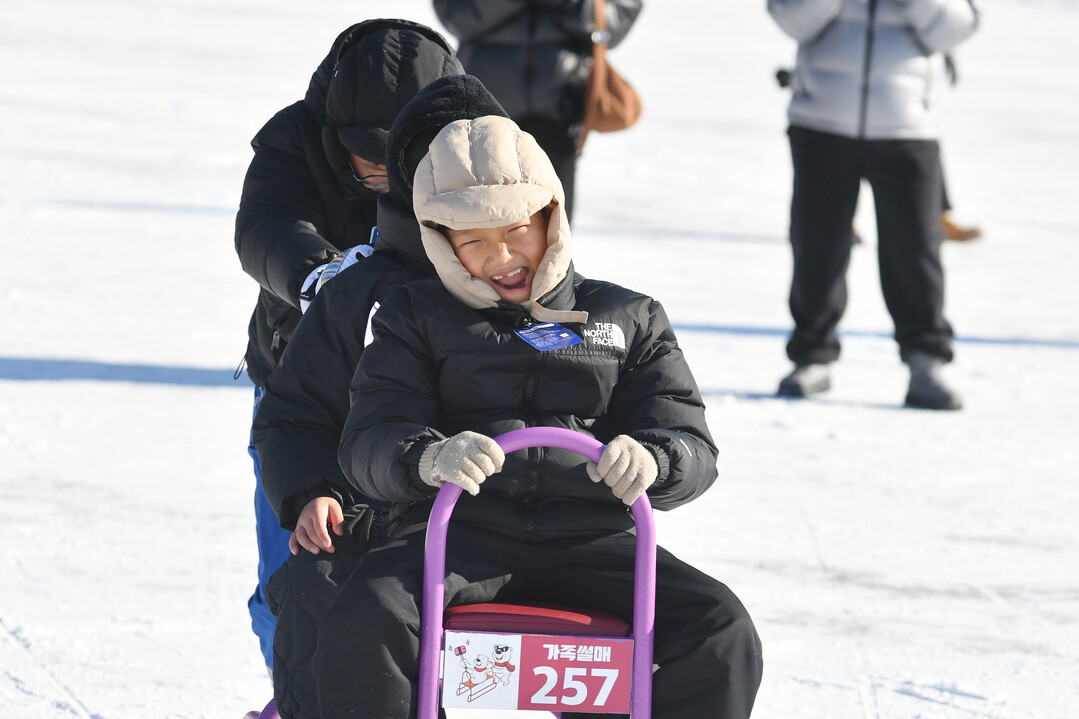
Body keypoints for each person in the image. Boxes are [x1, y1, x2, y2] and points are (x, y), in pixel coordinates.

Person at [311, 115, 764, 718]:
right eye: (472, 243)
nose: (500, 257)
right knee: (370, 612)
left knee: (721, 630)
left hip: (593, 538)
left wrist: (654, 459)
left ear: (551, 218)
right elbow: (371, 435)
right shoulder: (414, 316)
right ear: (442, 246)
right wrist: (428, 456)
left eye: (516, 230)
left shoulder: (627, 316)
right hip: (458, 535)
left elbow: (688, 439)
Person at [250, 74, 511, 719]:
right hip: (383, 517)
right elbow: (298, 412)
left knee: (704, 627)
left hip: (516, 525)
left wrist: (640, 454)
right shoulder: (361, 292)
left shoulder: (553, 289)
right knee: (330, 589)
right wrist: (312, 487)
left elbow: (611, 402)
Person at [233, 18, 463, 673]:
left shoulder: (476, 138)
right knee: (293, 571)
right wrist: (322, 276)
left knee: (408, 582)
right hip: (302, 386)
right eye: (371, 153)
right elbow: (265, 227)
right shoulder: (294, 137)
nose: (387, 172)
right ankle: (294, 688)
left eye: (404, 155)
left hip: (428, 397)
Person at [767, 0, 981, 410]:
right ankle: (812, 357)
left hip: (907, 126)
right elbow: (788, 17)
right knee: (817, 245)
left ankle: (926, 362)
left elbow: (957, 27)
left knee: (915, 249)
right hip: (822, 121)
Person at [433, 0, 644, 222]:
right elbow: (456, 16)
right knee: (485, 221)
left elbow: (617, 20)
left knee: (554, 225)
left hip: (561, 109)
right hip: (486, 110)